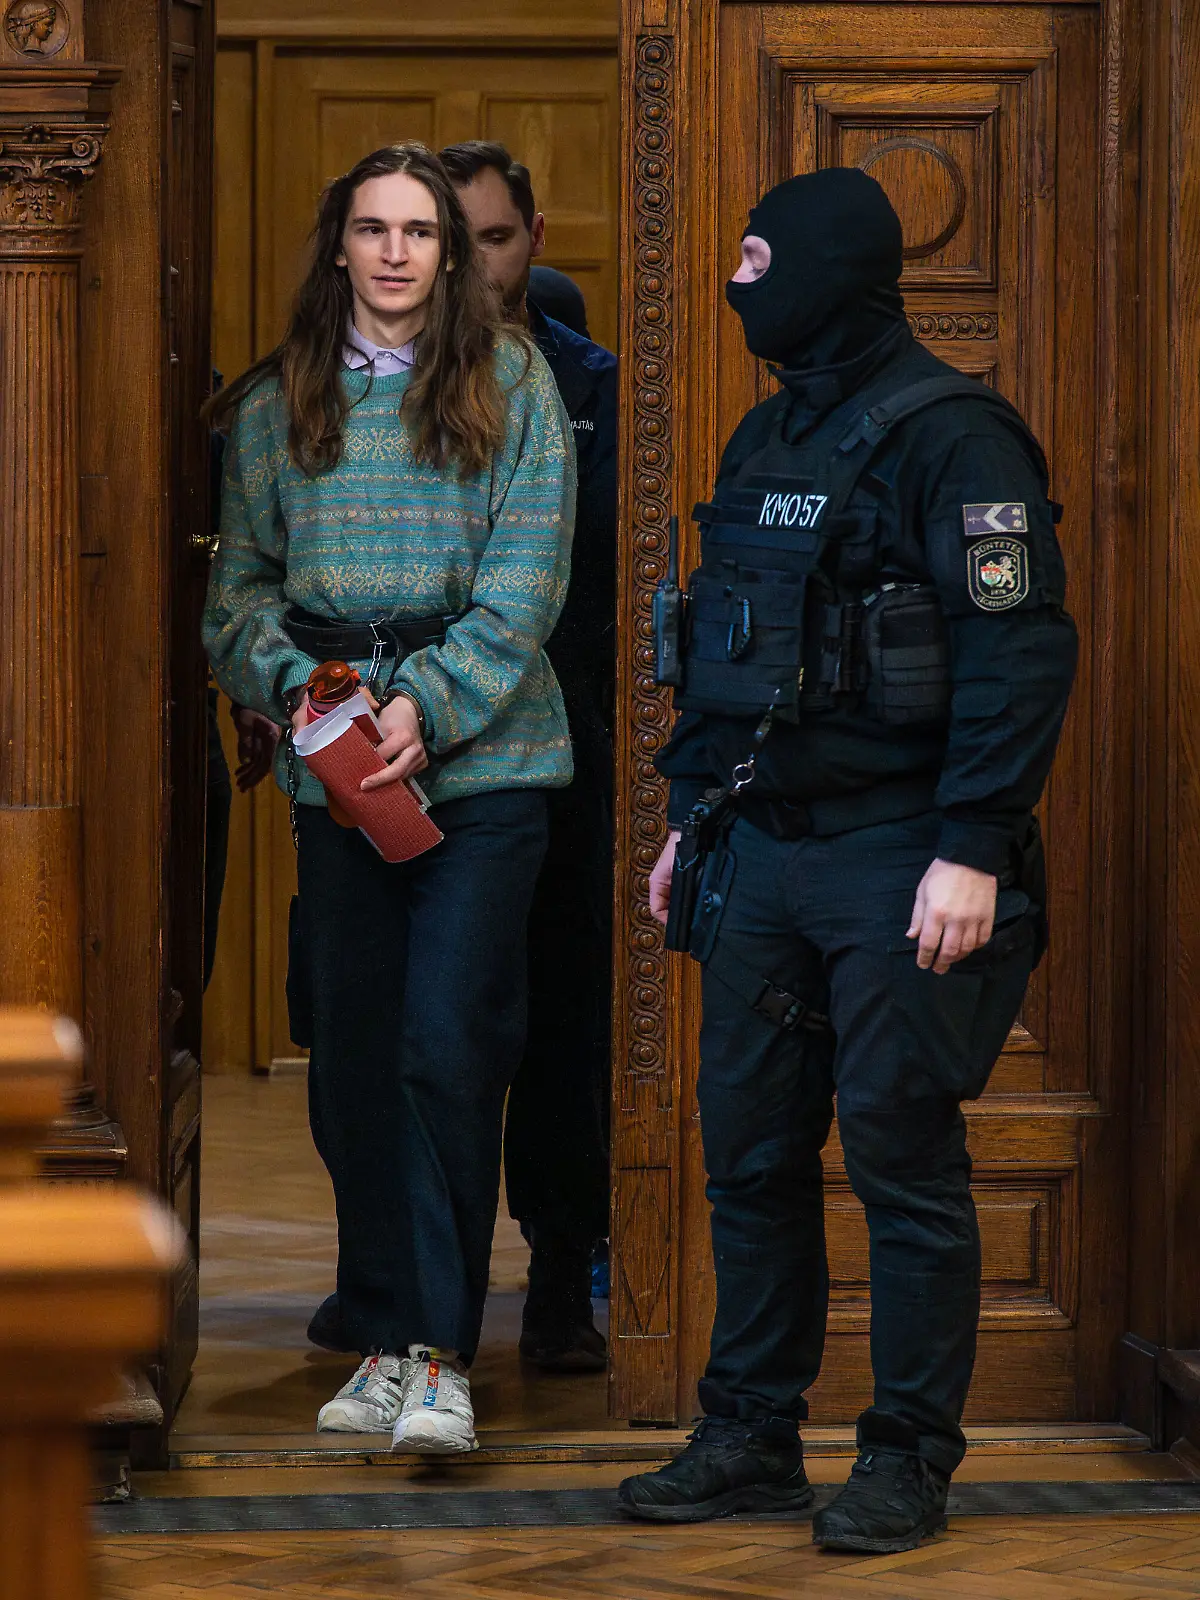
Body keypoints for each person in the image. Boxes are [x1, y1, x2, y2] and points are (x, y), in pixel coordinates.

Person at [616, 168, 1077, 1551]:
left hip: (904, 860)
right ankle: (752, 1433)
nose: (737, 282)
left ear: (827, 268)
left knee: (898, 1152)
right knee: (750, 1156)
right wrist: (692, 812)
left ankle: (907, 1456)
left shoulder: (961, 439)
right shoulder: (769, 435)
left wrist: (975, 847)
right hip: (764, 851)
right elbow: (729, 653)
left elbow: (1019, 648)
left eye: (757, 256)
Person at [202, 141, 576, 1453]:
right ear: (340, 245)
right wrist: (315, 699)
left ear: (453, 251)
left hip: (490, 767)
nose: (401, 252)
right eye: (374, 228)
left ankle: (434, 1361)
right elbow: (235, 596)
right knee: (355, 1058)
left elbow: (528, 589)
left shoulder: (513, 382)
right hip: (339, 765)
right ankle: (381, 1334)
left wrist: (429, 704)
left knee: (443, 1046)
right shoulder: (273, 408)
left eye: (423, 230)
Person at [440, 141, 618, 1372]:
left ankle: (564, 1269)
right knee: (425, 1029)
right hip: (411, 753)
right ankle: (409, 1291)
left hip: (575, 742)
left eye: (493, 238)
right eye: (451, 240)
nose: (470, 264)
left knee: (563, 1022)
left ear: (534, 239)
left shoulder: (603, 386)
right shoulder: (355, 382)